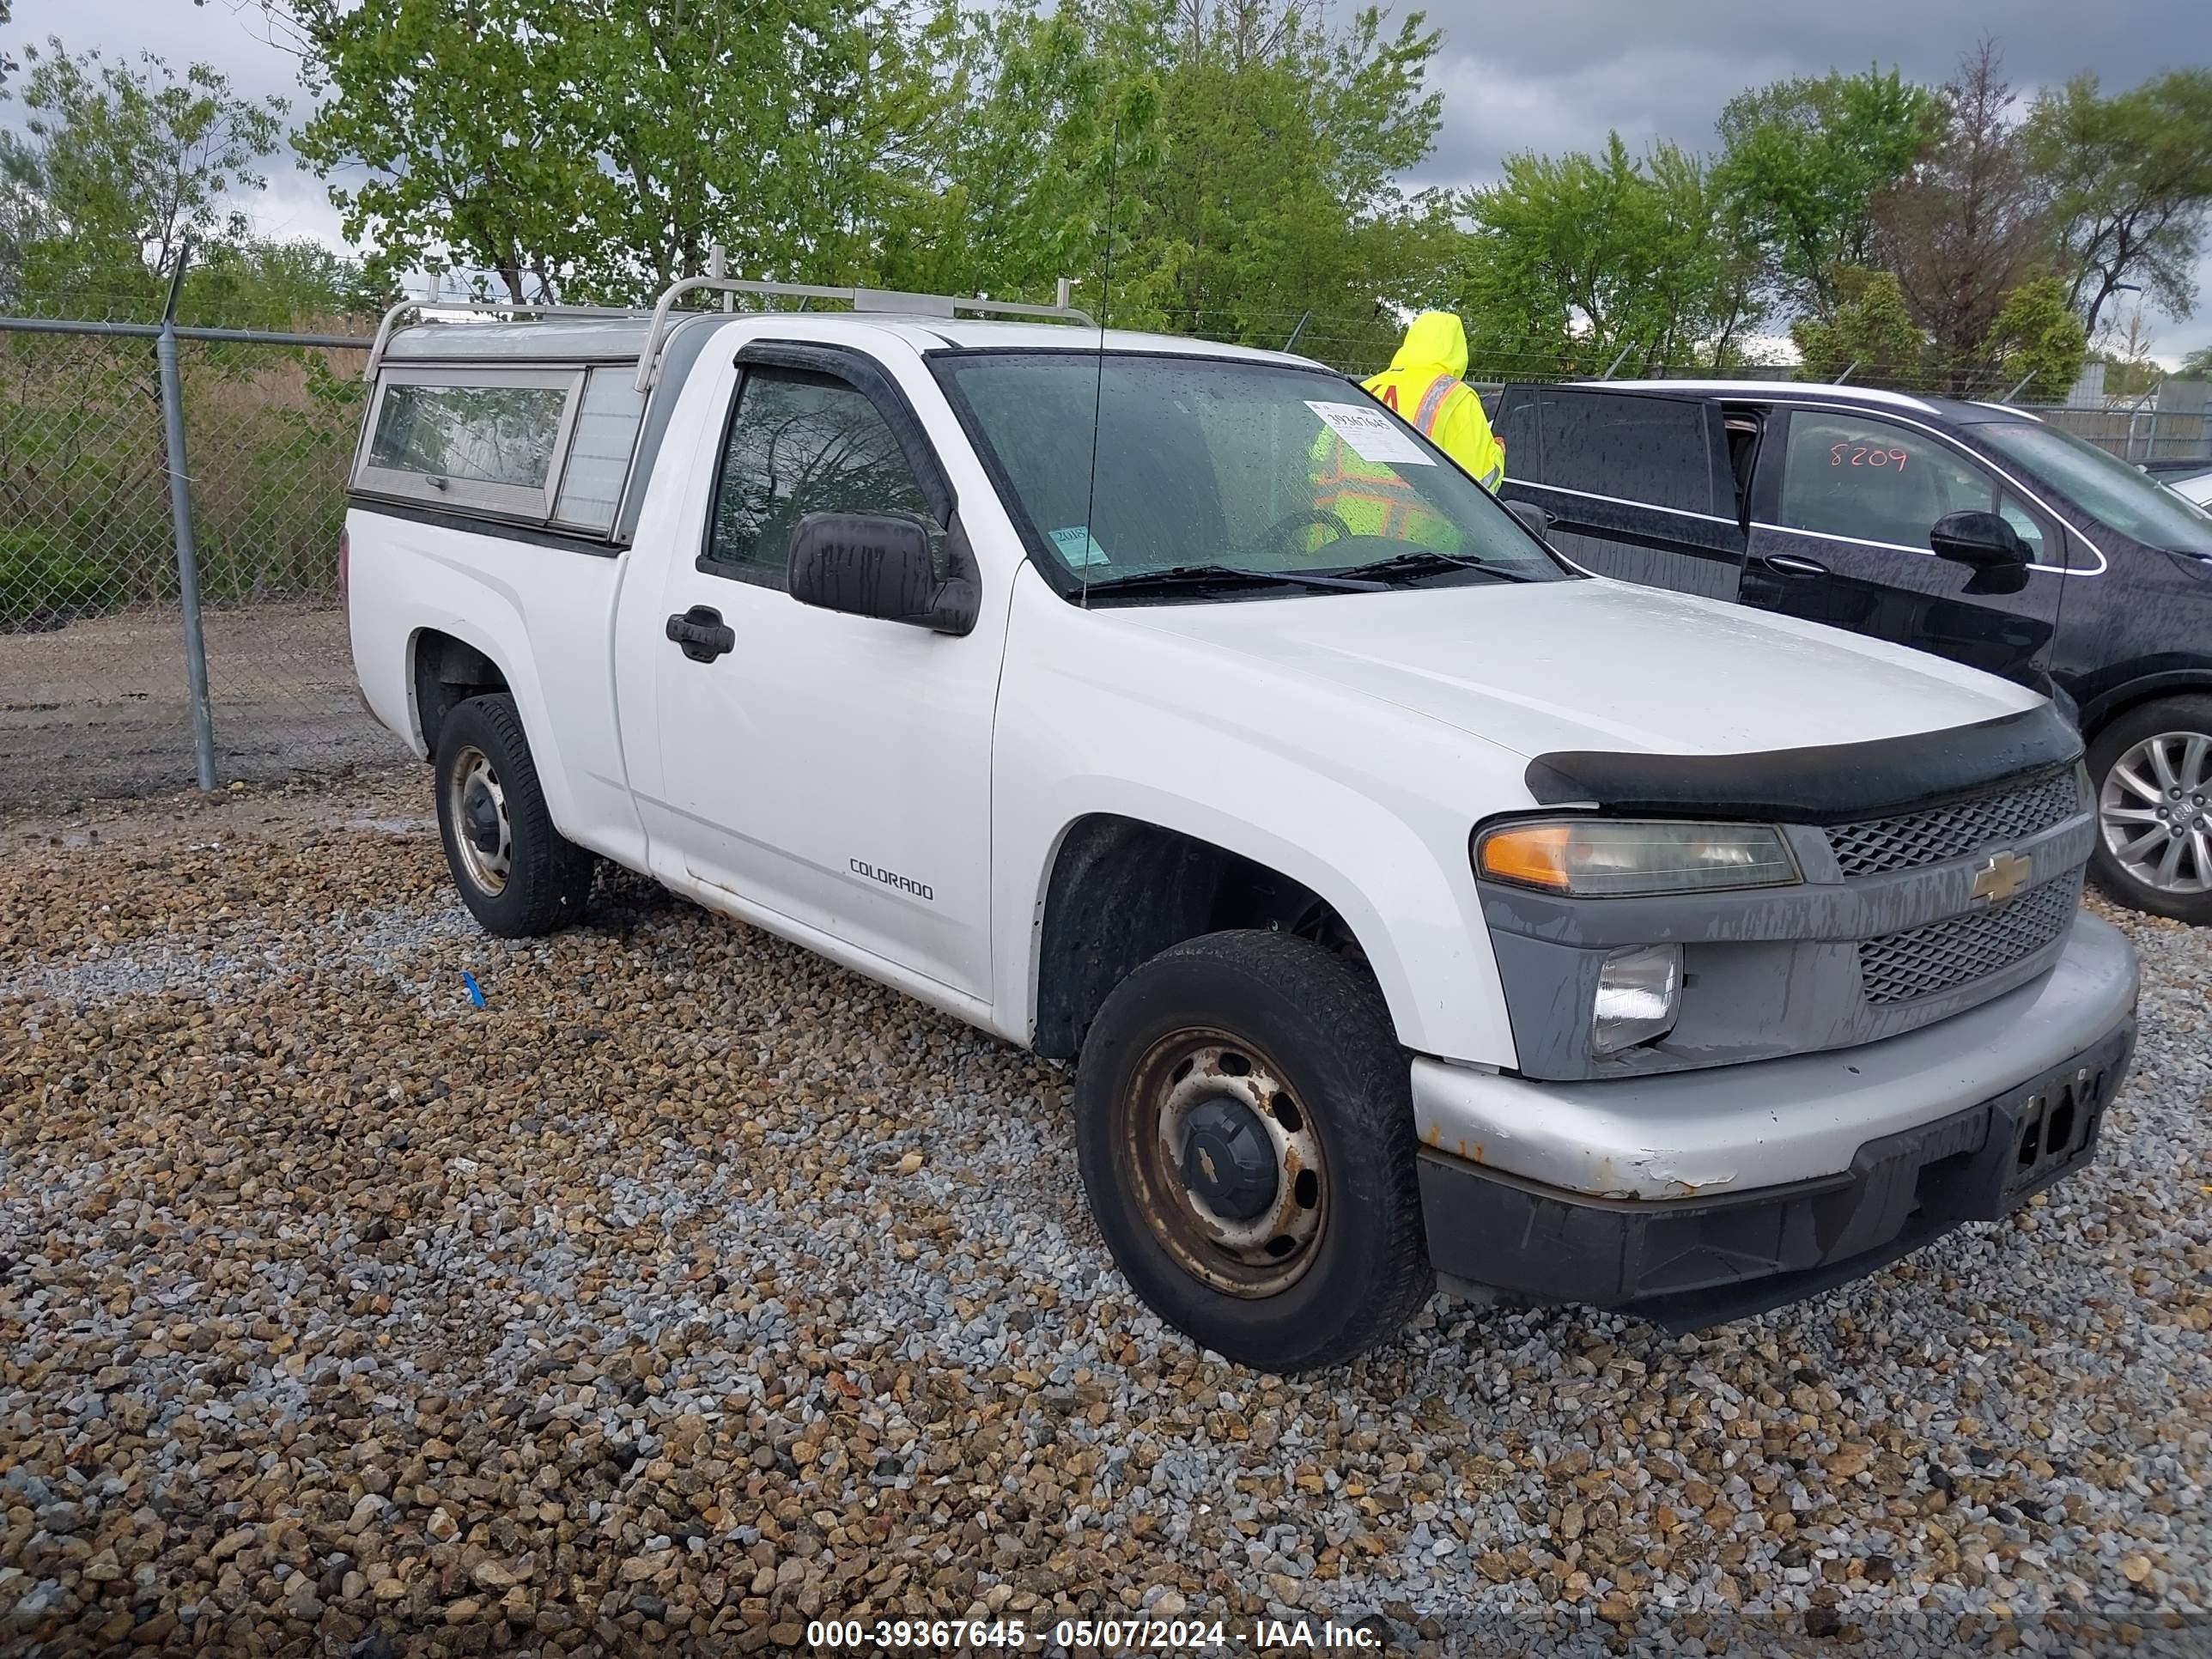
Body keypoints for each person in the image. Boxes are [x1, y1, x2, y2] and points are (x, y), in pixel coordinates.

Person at [1362, 310, 1504, 490]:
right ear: (1458, 350)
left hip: (1341, 512)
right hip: (1414, 515)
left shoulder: (1366, 387)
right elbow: (1479, 482)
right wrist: (1497, 454)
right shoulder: (1456, 396)